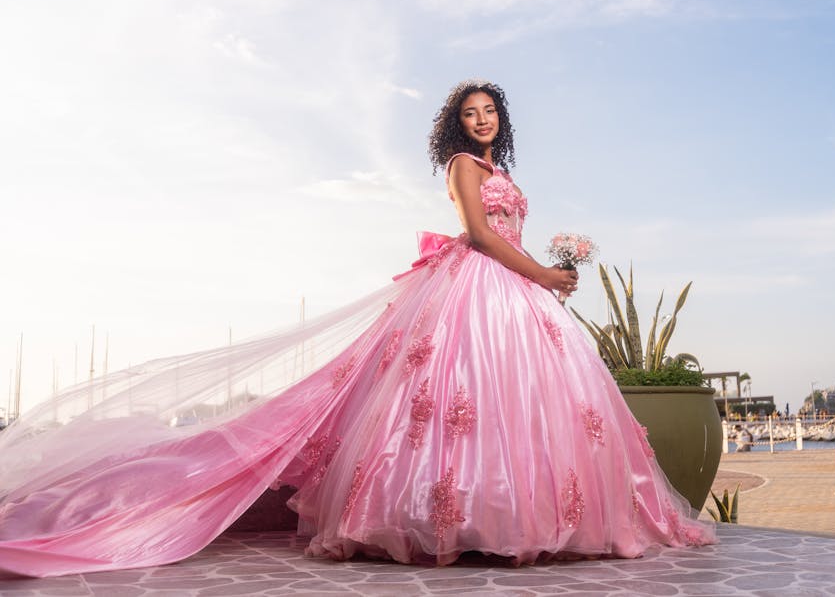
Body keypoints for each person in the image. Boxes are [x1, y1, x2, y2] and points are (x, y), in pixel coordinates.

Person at [0, 79, 714, 578]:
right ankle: (448, 524)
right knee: (452, 404)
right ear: (456, 124)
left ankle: (512, 519)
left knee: (520, 408)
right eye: (471, 111)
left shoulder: (499, 166)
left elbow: (508, 233)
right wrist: (548, 277)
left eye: (490, 109)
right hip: (484, 287)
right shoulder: (464, 167)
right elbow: (480, 235)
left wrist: (548, 272)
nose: (482, 118)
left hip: (515, 292)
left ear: (503, 119)